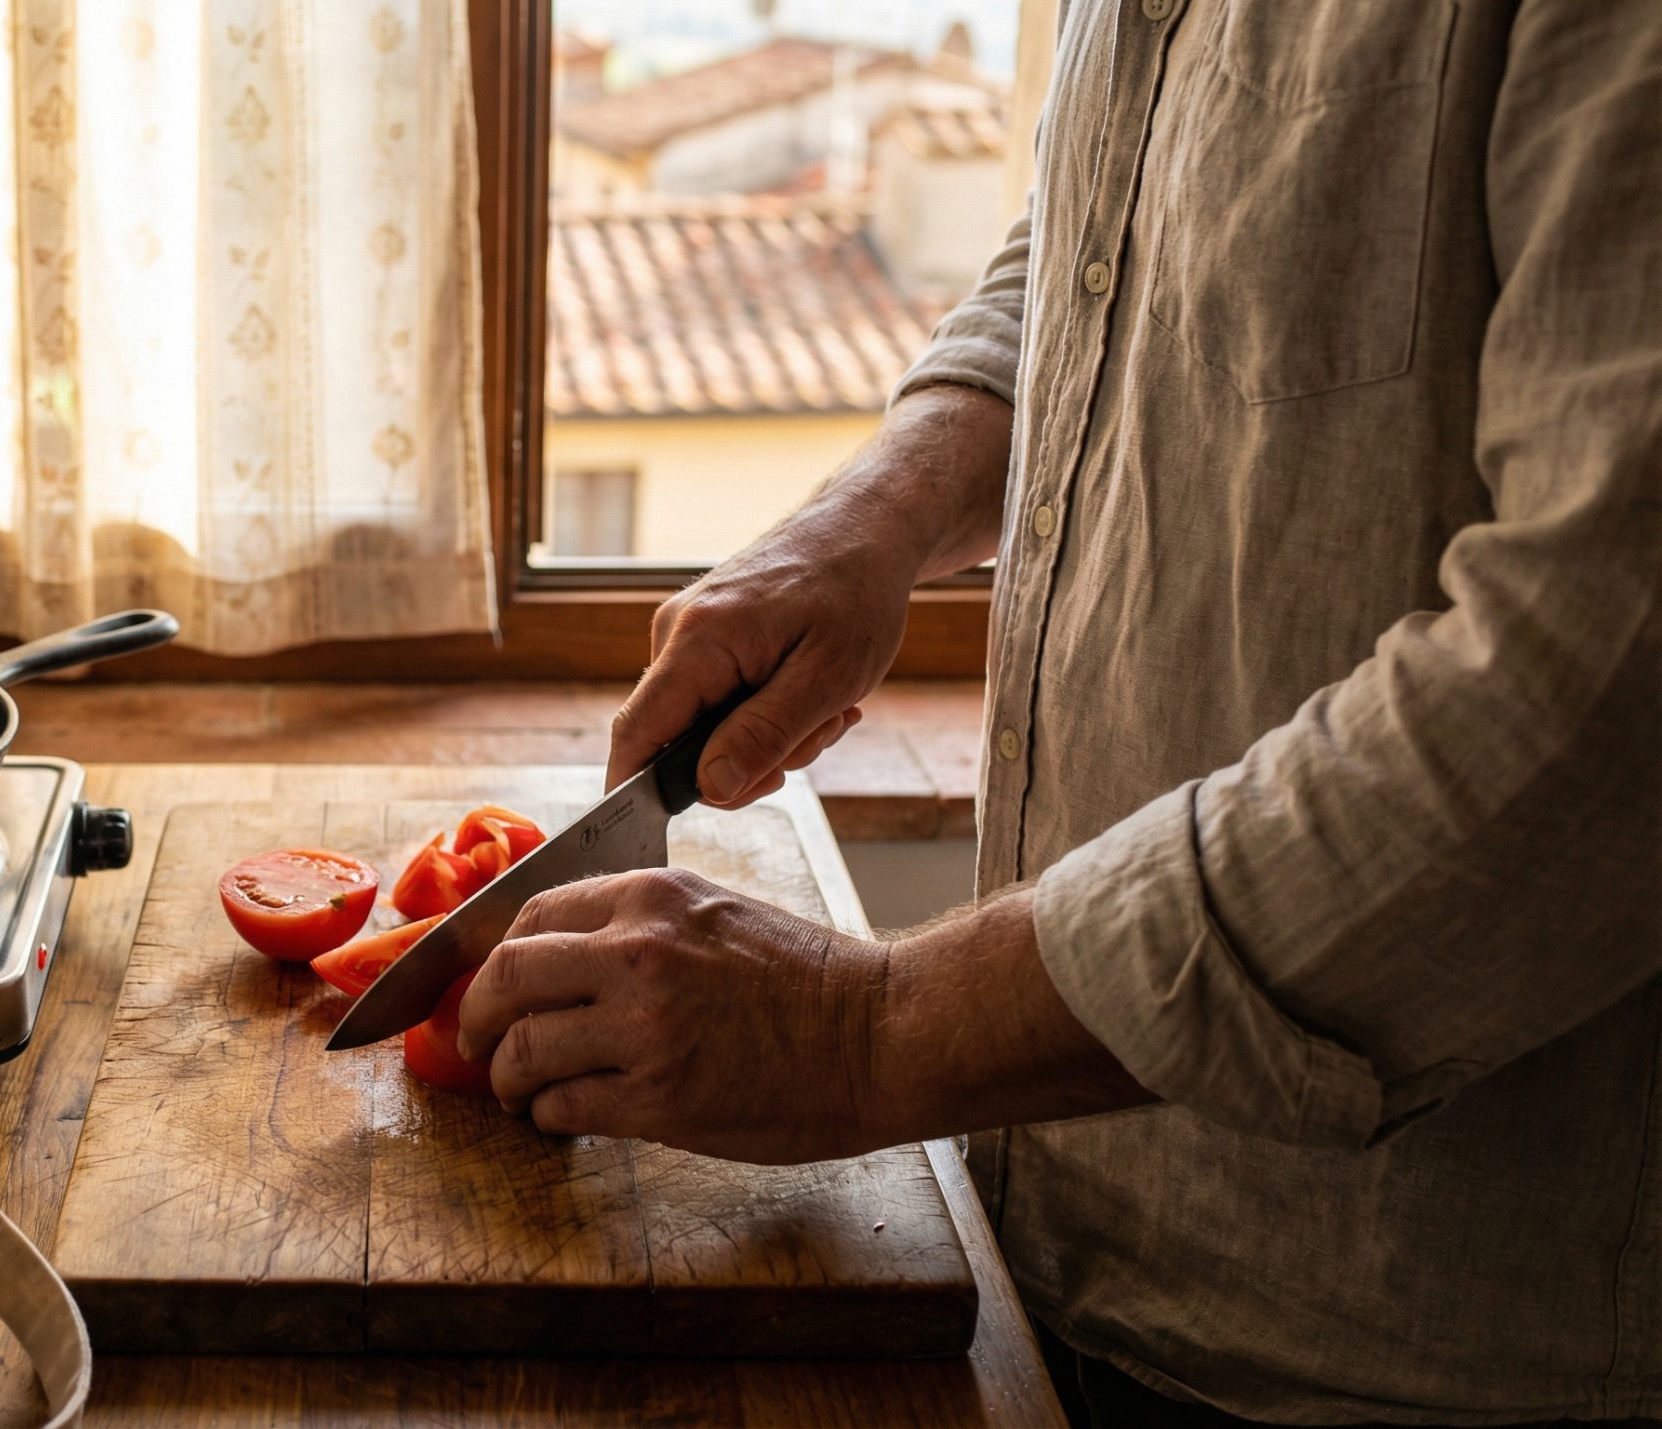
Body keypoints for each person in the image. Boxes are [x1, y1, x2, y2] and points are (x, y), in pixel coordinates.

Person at [456, 2, 1661, 1423]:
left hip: (1404, 1354)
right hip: (1051, 1256)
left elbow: (1602, 696)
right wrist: (882, 513)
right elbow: (1108, 240)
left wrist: (866, 1034)